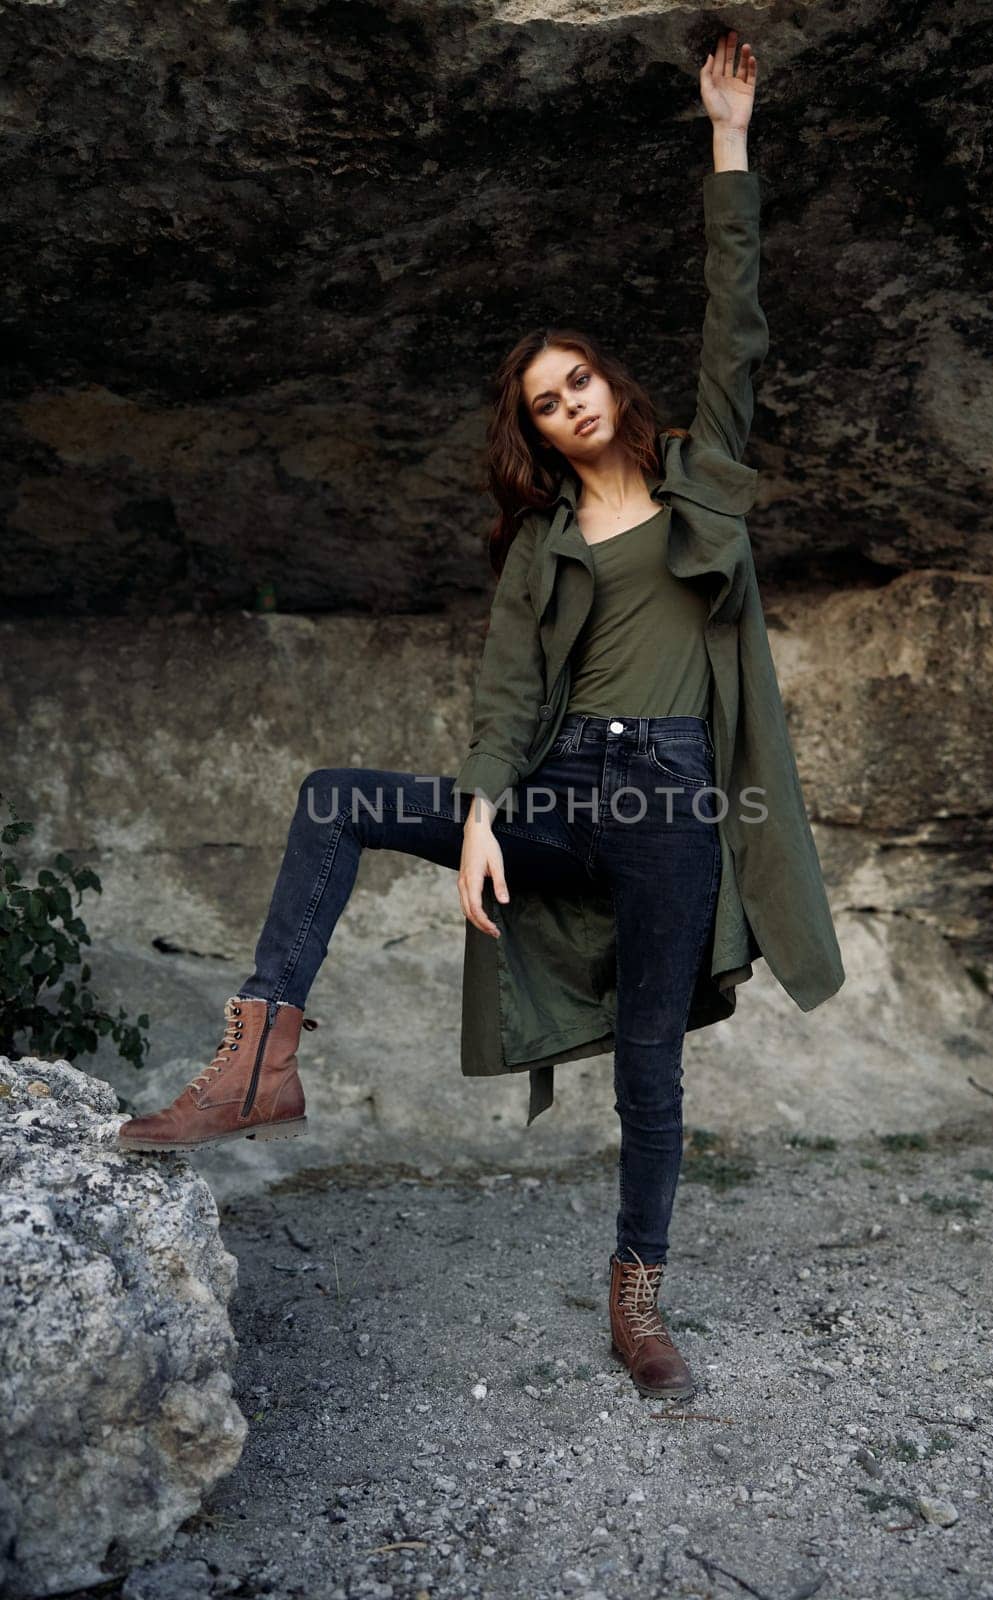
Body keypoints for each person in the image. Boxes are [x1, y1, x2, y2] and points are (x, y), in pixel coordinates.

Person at [121, 34, 799, 1403]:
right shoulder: (541, 548)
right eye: (545, 405)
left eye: (579, 383)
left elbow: (738, 329)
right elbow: (503, 696)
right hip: (558, 798)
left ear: (614, 384)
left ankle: (639, 1299)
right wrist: (487, 813)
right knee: (338, 797)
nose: (567, 407)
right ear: (540, 433)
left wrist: (727, 142)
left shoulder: (697, 487)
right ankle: (259, 1058)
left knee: (653, 1069)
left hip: (674, 812)